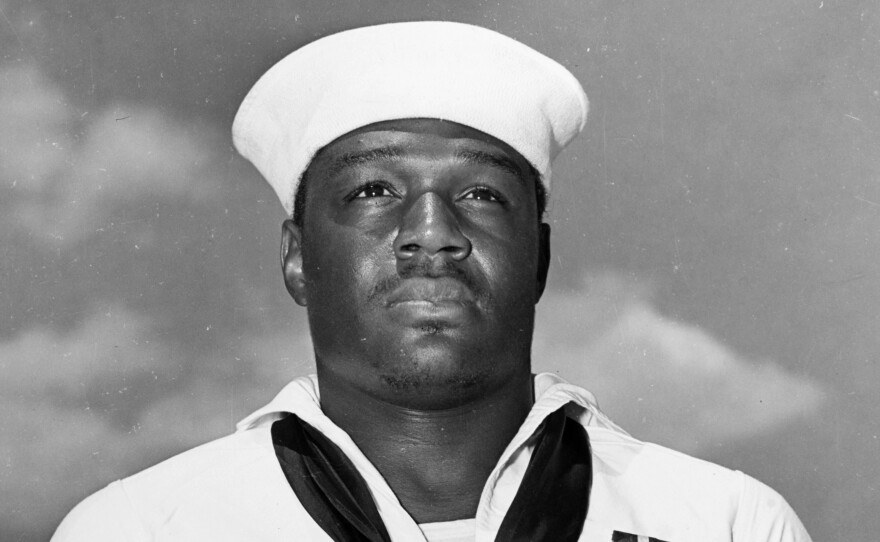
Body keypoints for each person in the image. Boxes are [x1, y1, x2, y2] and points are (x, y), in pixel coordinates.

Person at [52, 21, 812, 542]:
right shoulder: (143, 527)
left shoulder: (725, 522)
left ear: (539, 258)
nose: (431, 232)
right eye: (372, 192)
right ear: (296, 259)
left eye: (482, 195)